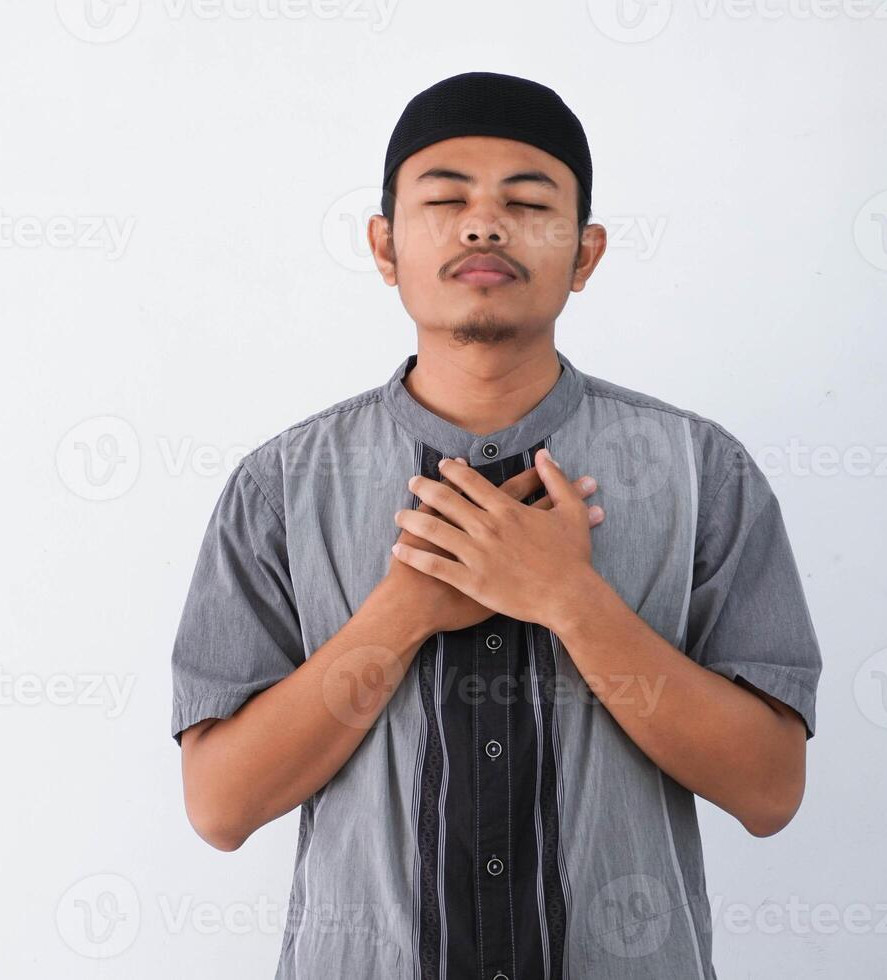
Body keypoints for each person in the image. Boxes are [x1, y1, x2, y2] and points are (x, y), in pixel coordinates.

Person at [170, 70, 823, 980]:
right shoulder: (281, 486)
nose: (483, 224)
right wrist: (402, 613)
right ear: (385, 246)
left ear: (585, 254)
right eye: (445, 199)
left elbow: (769, 789)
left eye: (527, 200)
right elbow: (220, 807)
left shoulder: (700, 473)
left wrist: (570, 600)